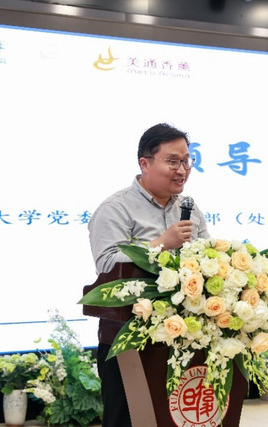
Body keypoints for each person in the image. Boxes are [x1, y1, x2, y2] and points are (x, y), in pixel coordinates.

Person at [88, 123, 209, 427]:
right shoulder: (116, 209)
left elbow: (208, 258)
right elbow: (107, 264)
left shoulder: (190, 209)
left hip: (185, 337)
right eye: (173, 161)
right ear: (145, 163)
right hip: (129, 340)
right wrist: (161, 244)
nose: (182, 170)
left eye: (186, 161)